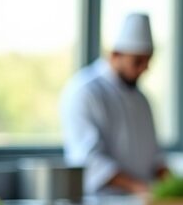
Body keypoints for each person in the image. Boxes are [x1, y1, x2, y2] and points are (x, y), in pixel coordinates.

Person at [61, 13, 167, 195]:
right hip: (102, 204)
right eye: (138, 61)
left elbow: (154, 157)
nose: (144, 69)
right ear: (115, 55)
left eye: (148, 61)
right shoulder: (85, 91)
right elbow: (88, 159)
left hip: (145, 203)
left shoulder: (142, 99)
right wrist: (138, 187)